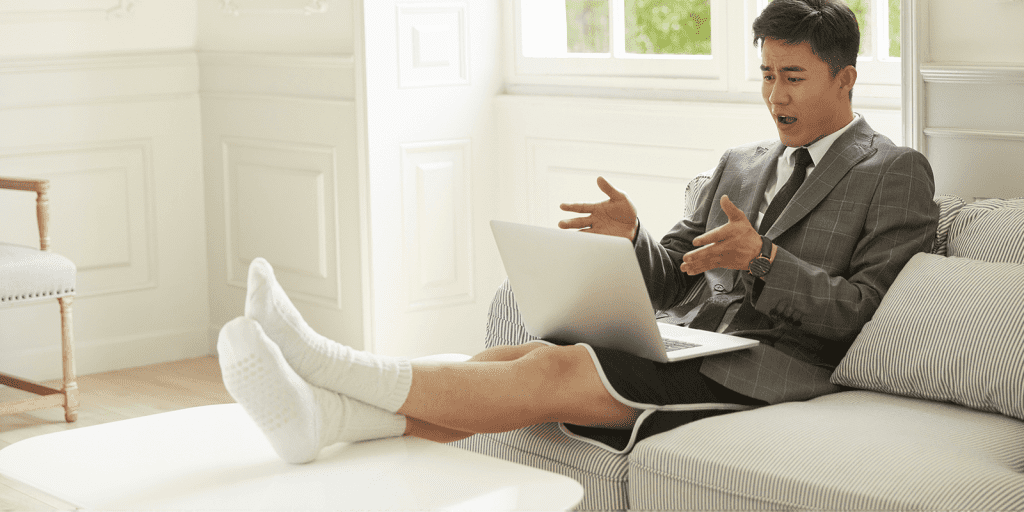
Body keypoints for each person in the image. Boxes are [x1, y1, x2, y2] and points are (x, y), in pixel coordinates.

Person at [217, 0, 939, 463]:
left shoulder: (894, 171)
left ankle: (326, 363)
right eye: (765, 74)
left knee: (550, 370)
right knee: (512, 355)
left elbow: (865, 315)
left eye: (795, 77)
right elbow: (671, 278)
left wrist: (766, 259)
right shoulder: (741, 162)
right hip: (691, 343)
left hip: (771, 372)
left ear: (845, 81)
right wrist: (634, 240)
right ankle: (324, 416)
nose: (774, 95)